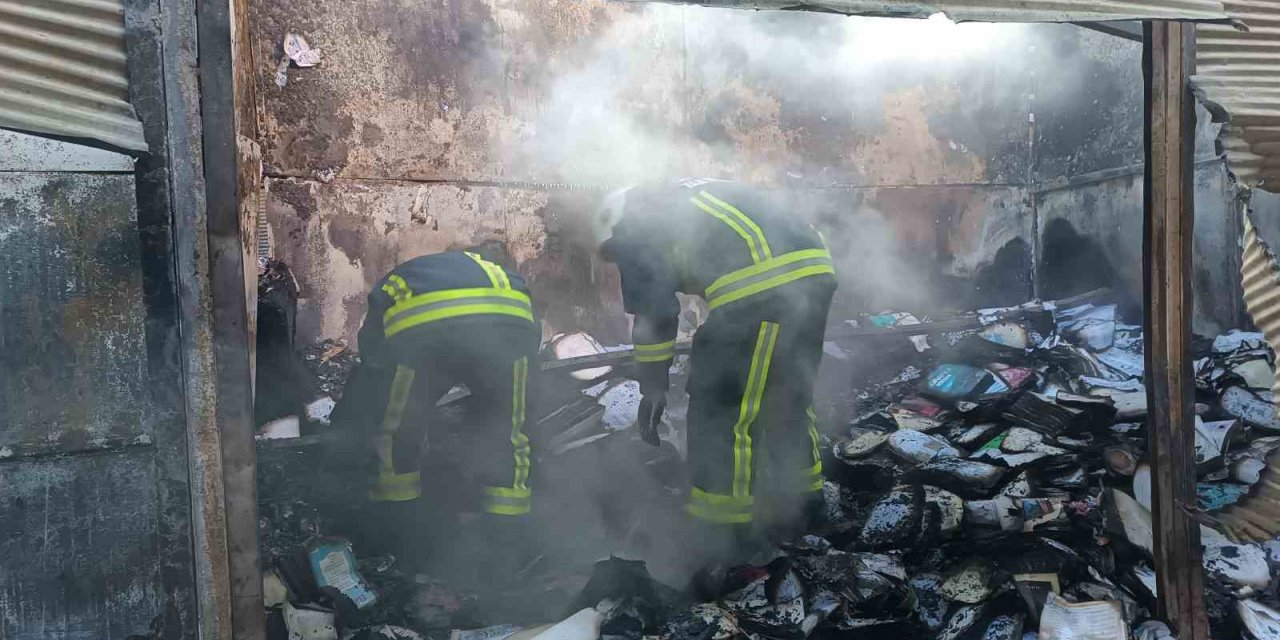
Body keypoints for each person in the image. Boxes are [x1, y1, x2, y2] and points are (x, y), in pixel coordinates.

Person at [591, 178, 837, 559]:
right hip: (815, 270)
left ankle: (725, 535)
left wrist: (653, 384)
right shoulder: (689, 194)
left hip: (761, 285)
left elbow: (655, 316)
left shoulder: (634, 227)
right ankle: (806, 508)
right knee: (787, 396)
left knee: (721, 408)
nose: (618, 261)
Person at [332, 245, 539, 581]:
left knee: (396, 429)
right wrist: (499, 391)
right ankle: (507, 542)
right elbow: (530, 345)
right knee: (509, 430)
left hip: (423, 338)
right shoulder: (505, 277)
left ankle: (400, 534)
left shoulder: (405, 278)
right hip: (511, 329)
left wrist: (380, 402)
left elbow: (374, 361)